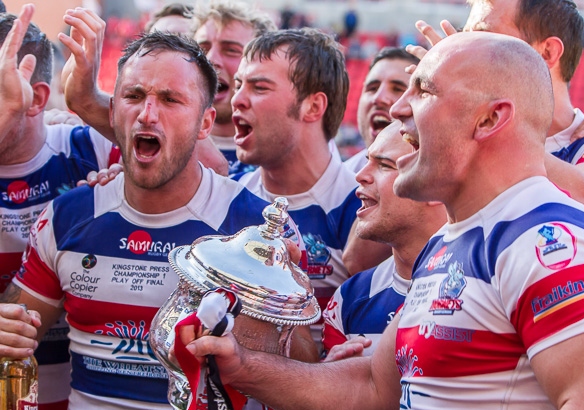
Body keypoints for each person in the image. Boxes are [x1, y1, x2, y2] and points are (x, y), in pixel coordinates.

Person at [184, 31, 584, 410]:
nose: (399, 108)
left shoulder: (549, 239)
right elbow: (374, 391)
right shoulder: (450, 241)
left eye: (423, 90)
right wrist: (243, 368)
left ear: (490, 119)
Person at [0, 28, 313, 410]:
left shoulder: (257, 226)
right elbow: (13, 334)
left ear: (205, 123)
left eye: (170, 100)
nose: (148, 113)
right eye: (133, 96)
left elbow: (307, 371)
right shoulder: (65, 218)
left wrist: (264, 318)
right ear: (112, 111)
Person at [411, 0, 584, 223]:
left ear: (548, 52)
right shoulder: (459, 135)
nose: (467, 50)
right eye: (466, 36)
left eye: (485, 36)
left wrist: (476, 124)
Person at [0, 6, 119, 410]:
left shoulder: (91, 147)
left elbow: (210, 172)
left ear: (37, 98)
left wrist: (91, 102)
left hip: (80, 404)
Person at [230, 28, 362, 345]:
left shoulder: (361, 208)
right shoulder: (228, 196)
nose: (236, 99)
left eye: (259, 87)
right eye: (238, 85)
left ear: (313, 107)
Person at [322, 120, 447, 360]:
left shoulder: (484, 283)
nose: (360, 175)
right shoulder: (349, 298)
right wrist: (331, 376)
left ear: (435, 184)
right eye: (367, 160)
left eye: (384, 165)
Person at [59, 6, 228, 176]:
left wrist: (86, 99)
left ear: (206, 122)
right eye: (157, 44)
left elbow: (214, 166)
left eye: (186, 44)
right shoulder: (111, 139)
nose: (147, 115)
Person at [192, 0, 276, 173]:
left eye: (231, 50)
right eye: (201, 49)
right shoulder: (161, 150)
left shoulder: (280, 161)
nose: (211, 59)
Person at [345, 46, 419, 173]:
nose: (379, 98)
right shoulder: (344, 184)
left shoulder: (445, 188)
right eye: (372, 88)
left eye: (398, 89)